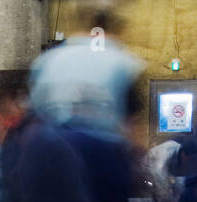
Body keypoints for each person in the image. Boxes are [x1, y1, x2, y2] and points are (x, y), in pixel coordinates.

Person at [28, 3, 143, 139]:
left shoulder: (46, 62)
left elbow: (34, 115)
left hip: (51, 150)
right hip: (102, 150)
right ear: (114, 27)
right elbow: (131, 124)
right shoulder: (123, 64)